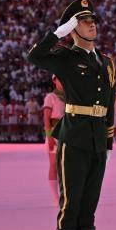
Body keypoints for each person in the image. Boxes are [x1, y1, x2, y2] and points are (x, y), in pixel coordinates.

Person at [26, 0, 116, 230]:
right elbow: (34, 56)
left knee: (89, 206)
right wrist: (58, 33)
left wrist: (108, 142)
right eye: (85, 21)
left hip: (96, 139)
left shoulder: (106, 62)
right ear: (74, 28)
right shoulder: (65, 57)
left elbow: (110, 103)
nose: (92, 25)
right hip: (74, 136)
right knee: (71, 205)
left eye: (93, 21)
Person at [42, 76, 67, 205]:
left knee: (67, 166)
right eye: (59, 79)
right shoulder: (50, 97)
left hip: (68, 133)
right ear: (54, 81)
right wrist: (49, 136)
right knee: (54, 165)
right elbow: (46, 118)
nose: (61, 81)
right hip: (54, 133)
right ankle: (55, 197)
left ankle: (66, 194)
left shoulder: (71, 96)